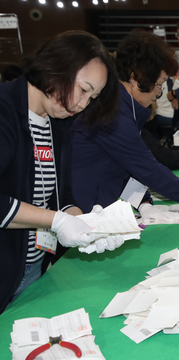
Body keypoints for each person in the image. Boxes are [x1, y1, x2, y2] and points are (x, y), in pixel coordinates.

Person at [0, 30, 122, 314]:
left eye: (92, 97)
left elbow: (58, 193)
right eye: (83, 89)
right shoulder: (5, 111)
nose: (83, 104)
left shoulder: (57, 123)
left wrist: (86, 224)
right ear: (57, 66)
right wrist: (56, 221)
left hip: (33, 268)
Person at [71, 30, 179, 219]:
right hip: (84, 210)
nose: (158, 94)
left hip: (97, 202)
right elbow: (147, 167)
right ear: (137, 77)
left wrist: (144, 203)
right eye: (159, 84)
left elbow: (126, 164)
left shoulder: (122, 107)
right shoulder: (113, 115)